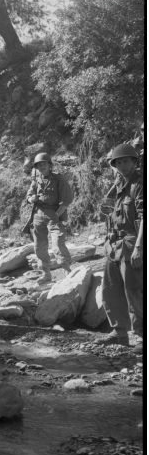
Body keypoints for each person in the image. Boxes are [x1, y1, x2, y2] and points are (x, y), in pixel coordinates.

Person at [96, 143, 143, 352]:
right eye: (119, 162)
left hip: (133, 242)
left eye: (127, 161)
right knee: (110, 288)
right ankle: (119, 332)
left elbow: (144, 217)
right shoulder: (118, 185)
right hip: (114, 244)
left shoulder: (140, 184)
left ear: (135, 161)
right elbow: (110, 214)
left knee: (134, 291)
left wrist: (140, 246)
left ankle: (142, 335)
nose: (123, 165)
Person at [26, 152, 73, 283]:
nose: (42, 166)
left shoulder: (59, 179)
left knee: (58, 243)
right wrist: (31, 198)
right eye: (39, 165)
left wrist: (57, 215)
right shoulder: (36, 180)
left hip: (54, 214)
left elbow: (67, 200)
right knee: (39, 246)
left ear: (49, 165)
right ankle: (46, 273)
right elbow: (28, 196)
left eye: (44, 164)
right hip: (38, 215)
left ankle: (67, 271)